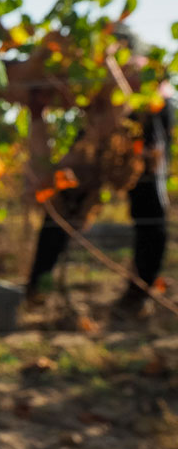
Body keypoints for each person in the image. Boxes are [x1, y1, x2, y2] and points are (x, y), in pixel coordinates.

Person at [17, 30, 174, 319]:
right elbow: (49, 155)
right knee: (66, 197)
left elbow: (122, 106)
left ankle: (138, 296)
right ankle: (37, 290)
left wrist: (109, 58)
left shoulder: (121, 66)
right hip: (104, 118)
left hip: (143, 114)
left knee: (148, 204)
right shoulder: (57, 80)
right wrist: (48, 174)